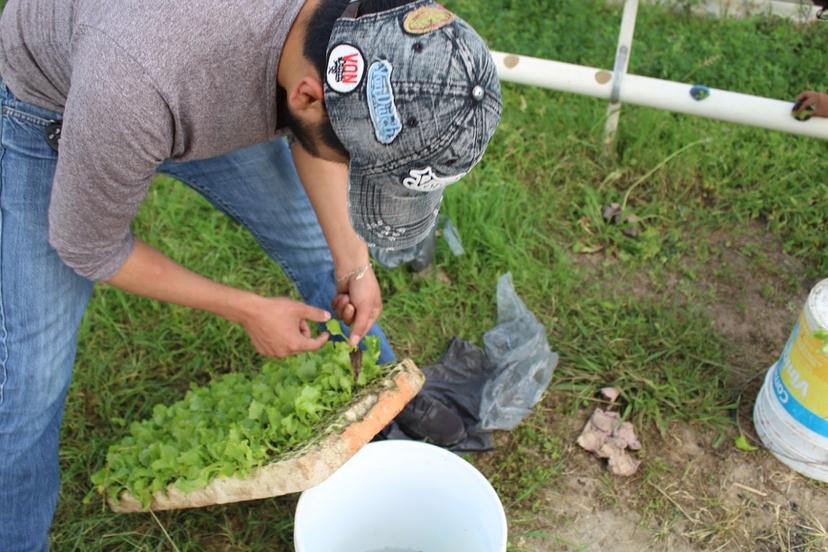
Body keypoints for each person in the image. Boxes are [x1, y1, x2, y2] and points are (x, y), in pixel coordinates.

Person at [0, 0, 502, 548]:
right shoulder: (134, 82)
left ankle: (377, 413)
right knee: (30, 379)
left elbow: (316, 130)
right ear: (306, 94)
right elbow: (87, 245)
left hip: (201, 74)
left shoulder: (358, 29)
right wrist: (247, 309)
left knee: (319, 244)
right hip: (59, 105)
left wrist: (353, 264)